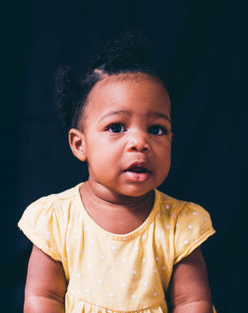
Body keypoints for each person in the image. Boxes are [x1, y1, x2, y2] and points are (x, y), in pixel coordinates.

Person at [18, 33, 216, 313]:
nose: (140, 142)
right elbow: (43, 297)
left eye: (156, 129)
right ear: (79, 143)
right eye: (116, 127)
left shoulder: (179, 224)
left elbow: (191, 302)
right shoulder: (57, 219)